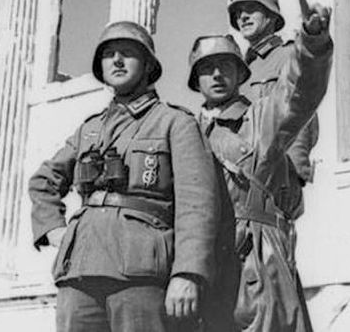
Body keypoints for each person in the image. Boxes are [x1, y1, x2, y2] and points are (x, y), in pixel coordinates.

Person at [29, 21, 219, 332]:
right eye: (109, 54)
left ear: (148, 65)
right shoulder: (88, 129)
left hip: (142, 271)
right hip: (79, 269)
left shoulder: (175, 123)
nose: (116, 60)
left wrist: (188, 273)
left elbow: (197, 205)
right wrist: (55, 231)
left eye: (127, 53)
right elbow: (42, 181)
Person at [189, 0, 332, 332]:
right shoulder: (187, 131)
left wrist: (312, 43)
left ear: (241, 74)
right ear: (195, 80)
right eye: (206, 68)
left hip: (255, 256)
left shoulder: (260, 118)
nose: (217, 74)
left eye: (226, 66)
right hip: (205, 264)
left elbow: (298, 95)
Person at [227, 0, 317, 218]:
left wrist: (293, 175)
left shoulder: (288, 56)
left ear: (271, 16)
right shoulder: (238, 68)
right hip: (238, 178)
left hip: (274, 177)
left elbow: (301, 116)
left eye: (251, 9)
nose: (242, 16)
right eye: (238, 12)